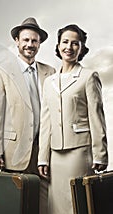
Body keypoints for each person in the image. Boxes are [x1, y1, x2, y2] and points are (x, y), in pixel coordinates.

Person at [38, 24, 108, 214]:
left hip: (79, 151)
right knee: (56, 205)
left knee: (78, 203)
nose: (69, 47)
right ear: (58, 46)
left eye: (75, 43)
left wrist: (100, 153)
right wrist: (42, 158)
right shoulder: (49, 81)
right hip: (55, 154)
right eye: (65, 42)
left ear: (82, 48)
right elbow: (46, 122)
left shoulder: (88, 76)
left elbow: (97, 116)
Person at [0, 17, 55, 214]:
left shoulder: (50, 72)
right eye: (25, 40)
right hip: (13, 153)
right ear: (17, 41)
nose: (30, 45)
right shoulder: (1, 71)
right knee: (14, 206)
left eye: (34, 41)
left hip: (44, 153)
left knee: (43, 207)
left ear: (39, 44)